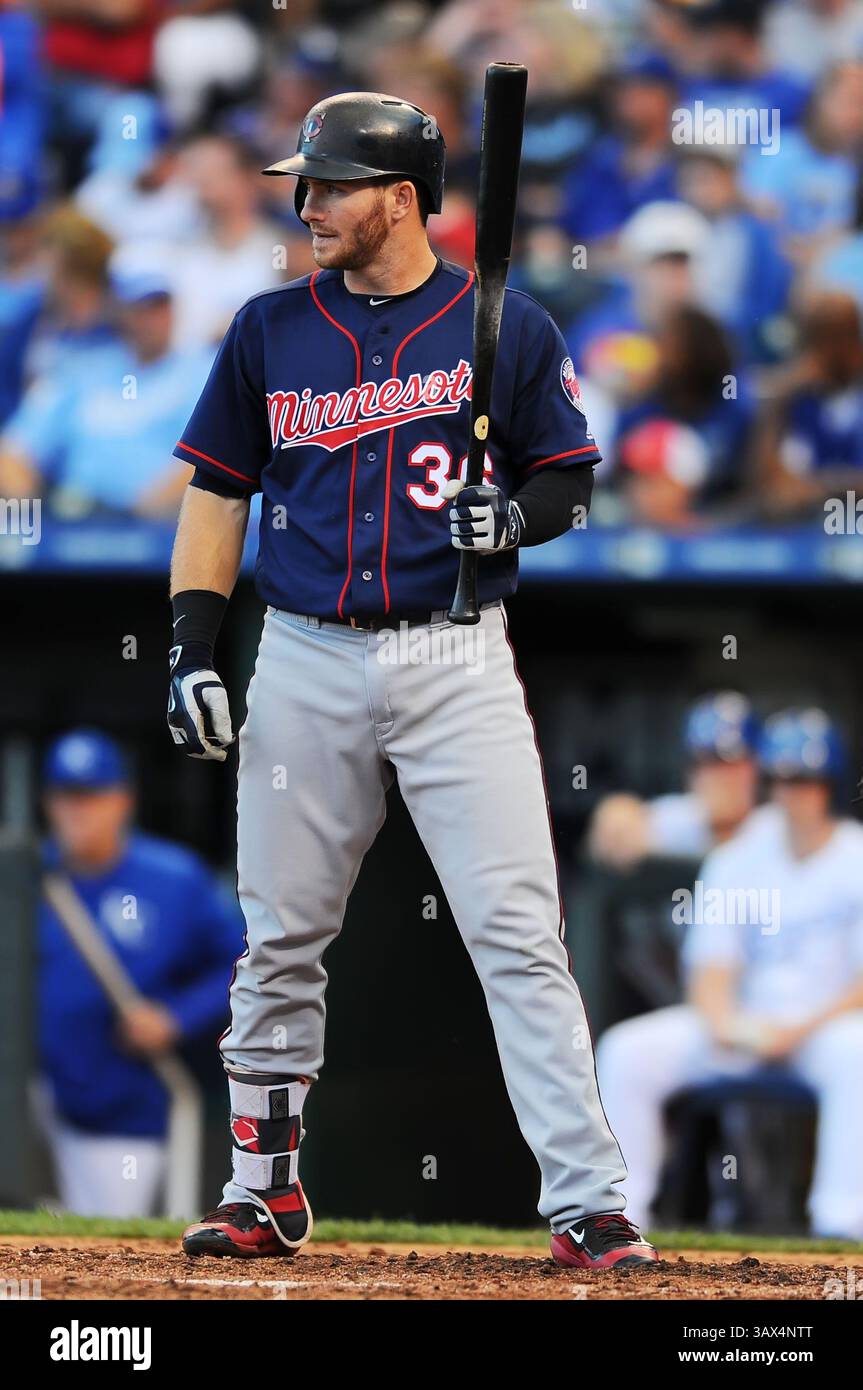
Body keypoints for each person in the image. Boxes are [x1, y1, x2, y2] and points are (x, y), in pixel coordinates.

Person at [168, 90, 658, 1269]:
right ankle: (261, 1188)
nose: (309, 203)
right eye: (306, 182)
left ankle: (585, 1198)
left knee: (515, 931)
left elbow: (569, 479)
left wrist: (515, 517)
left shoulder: (506, 325)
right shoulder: (268, 328)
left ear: (399, 197)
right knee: (279, 934)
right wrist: (190, 644)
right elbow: (216, 493)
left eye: (332, 184)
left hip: (453, 651)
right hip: (303, 644)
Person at [595, 708, 863, 1239]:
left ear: (828, 785)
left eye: (807, 779)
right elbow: (710, 970)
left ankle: (843, 1224)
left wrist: (797, 1031)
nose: (795, 793)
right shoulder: (739, 857)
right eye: (784, 779)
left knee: (857, 1051)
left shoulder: (855, 856)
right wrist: (724, 1025)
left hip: (823, 1031)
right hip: (743, 1027)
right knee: (628, 1050)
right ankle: (619, 1218)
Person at [38, 729, 245, 1217]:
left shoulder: (173, 877)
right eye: (66, 796)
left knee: (98, 1250)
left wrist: (176, 1017)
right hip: (33, 1097)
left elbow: (245, 959)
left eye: (91, 796)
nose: (77, 810)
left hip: (121, 1104)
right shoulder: (26, 874)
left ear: (122, 800)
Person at [0, 244, 213, 517]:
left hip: (167, 531)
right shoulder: (82, 368)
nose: (149, 318)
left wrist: (140, 515)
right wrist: (31, 506)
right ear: (117, 307)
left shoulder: (205, 372)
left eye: (158, 304)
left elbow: (211, 461)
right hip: (76, 524)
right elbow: (15, 449)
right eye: (138, 306)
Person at [588, 692, 761, 872]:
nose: (712, 776)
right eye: (702, 763)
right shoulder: (684, 819)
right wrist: (617, 811)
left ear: (756, 766)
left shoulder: (774, 826)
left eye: (725, 763)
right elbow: (618, 825)